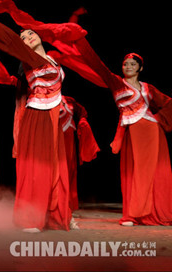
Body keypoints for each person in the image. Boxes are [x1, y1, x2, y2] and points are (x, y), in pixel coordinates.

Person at [65, 46, 172, 226]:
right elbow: (98, 66)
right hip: (131, 133)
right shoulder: (116, 83)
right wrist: (79, 42)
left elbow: (168, 103)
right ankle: (133, 214)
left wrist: (159, 118)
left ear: (140, 68)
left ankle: (153, 212)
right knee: (133, 172)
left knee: (154, 171)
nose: (128, 67)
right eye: (125, 64)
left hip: (152, 132)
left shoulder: (148, 88)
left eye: (133, 64)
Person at [59, 95, 100, 212]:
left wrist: (82, 121)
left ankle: (67, 204)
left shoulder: (68, 100)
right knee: (56, 170)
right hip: (54, 139)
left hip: (69, 139)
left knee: (68, 170)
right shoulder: (45, 97)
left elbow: (82, 112)